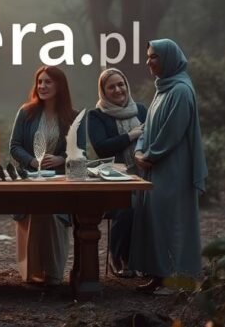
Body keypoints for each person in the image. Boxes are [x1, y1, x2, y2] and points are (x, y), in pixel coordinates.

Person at [129, 39, 208, 294]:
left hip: (173, 169)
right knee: (156, 220)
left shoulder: (181, 91)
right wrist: (139, 150)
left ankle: (177, 280)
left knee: (173, 221)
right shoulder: (163, 88)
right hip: (155, 167)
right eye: (148, 56)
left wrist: (149, 155)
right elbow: (147, 127)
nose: (148, 62)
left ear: (168, 58)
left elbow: (172, 132)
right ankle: (159, 275)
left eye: (154, 56)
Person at [8, 66, 76, 286]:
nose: (42, 86)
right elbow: (14, 146)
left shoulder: (73, 117)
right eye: (40, 82)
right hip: (30, 180)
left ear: (60, 86)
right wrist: (31, 161)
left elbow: (80, 151)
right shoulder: (26, 113)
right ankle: (34, 271)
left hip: (59, 183)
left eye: (48, 82)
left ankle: (53, 273)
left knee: (52, 214)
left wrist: (61, 159)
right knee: (36, 211)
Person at [84, 68, 147, 277]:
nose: (118, 90)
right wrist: (131, 135)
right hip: (114, 179)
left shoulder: (141, 110)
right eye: (111, 87)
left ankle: (148, 260)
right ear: (103, 91)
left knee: (154, 206)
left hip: (144, 173)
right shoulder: (96, 115)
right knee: (127, 207)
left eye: (121, 84)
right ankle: (119, 257)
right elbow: (102, 147)